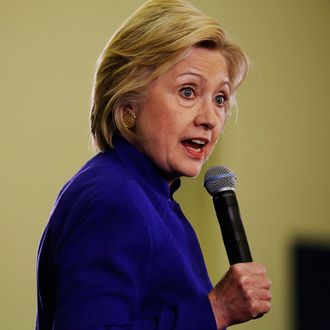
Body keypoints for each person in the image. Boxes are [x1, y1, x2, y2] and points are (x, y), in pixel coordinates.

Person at [36, 0, 272, 329]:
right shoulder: (114, 198)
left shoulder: (153, 200)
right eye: (188, 92)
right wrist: (216, 310)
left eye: (220, 98)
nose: (210, 119)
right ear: (129, 102)